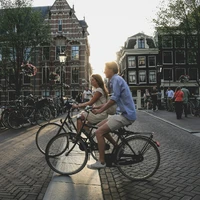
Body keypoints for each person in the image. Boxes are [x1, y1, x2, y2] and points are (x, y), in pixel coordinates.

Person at [87, 61, 136, 169]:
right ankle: (117, 147)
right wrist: (97, 107)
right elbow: (112, 100)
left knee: (99, 132)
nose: (104, 71)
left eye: (105, 69)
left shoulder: (115, 80)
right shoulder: (115, 80)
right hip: (123, 113)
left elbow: (114, 99)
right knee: (99, 127)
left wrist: (100, 111)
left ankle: (101, 161)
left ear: (111, 70)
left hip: (126, 115)